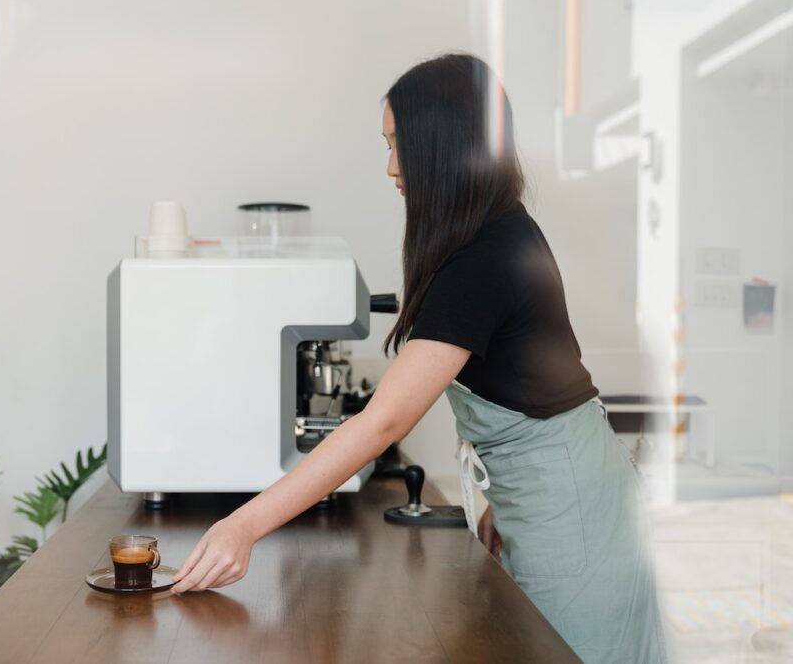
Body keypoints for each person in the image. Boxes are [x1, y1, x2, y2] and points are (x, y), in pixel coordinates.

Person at [171, 53, 667, 663]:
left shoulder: (483, 259)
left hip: (576, 516)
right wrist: (501, 502)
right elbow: (535, 378)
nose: (389, 166)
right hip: (559, 494)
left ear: (442, 142)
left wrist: (242, 527)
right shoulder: (495, 233)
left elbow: (384, 421)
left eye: (398, 144)